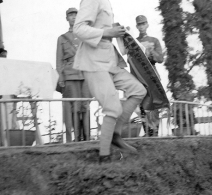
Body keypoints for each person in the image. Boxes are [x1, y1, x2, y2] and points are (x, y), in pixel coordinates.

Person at [73, 0, 147, 163]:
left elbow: (106, 29)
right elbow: (78, 29)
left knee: (138, 90)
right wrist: (109, 32)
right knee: (112, 108)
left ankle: (115, 134)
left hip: (109, 60)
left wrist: (120, 32)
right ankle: (104, 155)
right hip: (93, 62)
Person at [56, 7, 92, 142]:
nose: (73, 17)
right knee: (74, 107)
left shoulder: (85, 35)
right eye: (70, 15)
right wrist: (60, 77)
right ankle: (75, 139)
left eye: (76, 15)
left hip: (85, 74)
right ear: (67, 18)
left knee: (85, 106)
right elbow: (59, 59)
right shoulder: (62, 38)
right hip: (70, 75)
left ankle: (87, 138)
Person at [135, 15, 164, 136]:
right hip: (140, 76)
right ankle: (147, 131)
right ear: (137, 26)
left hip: (153, 75)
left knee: (155, 103)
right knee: (143, 104)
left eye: (143, 23)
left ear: (147, 25)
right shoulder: (135, 41)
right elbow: (132, 60)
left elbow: (161, 59)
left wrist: (151, 51)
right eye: (139, 24)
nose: (142, 26)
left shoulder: (154, 40)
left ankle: (155, 132)